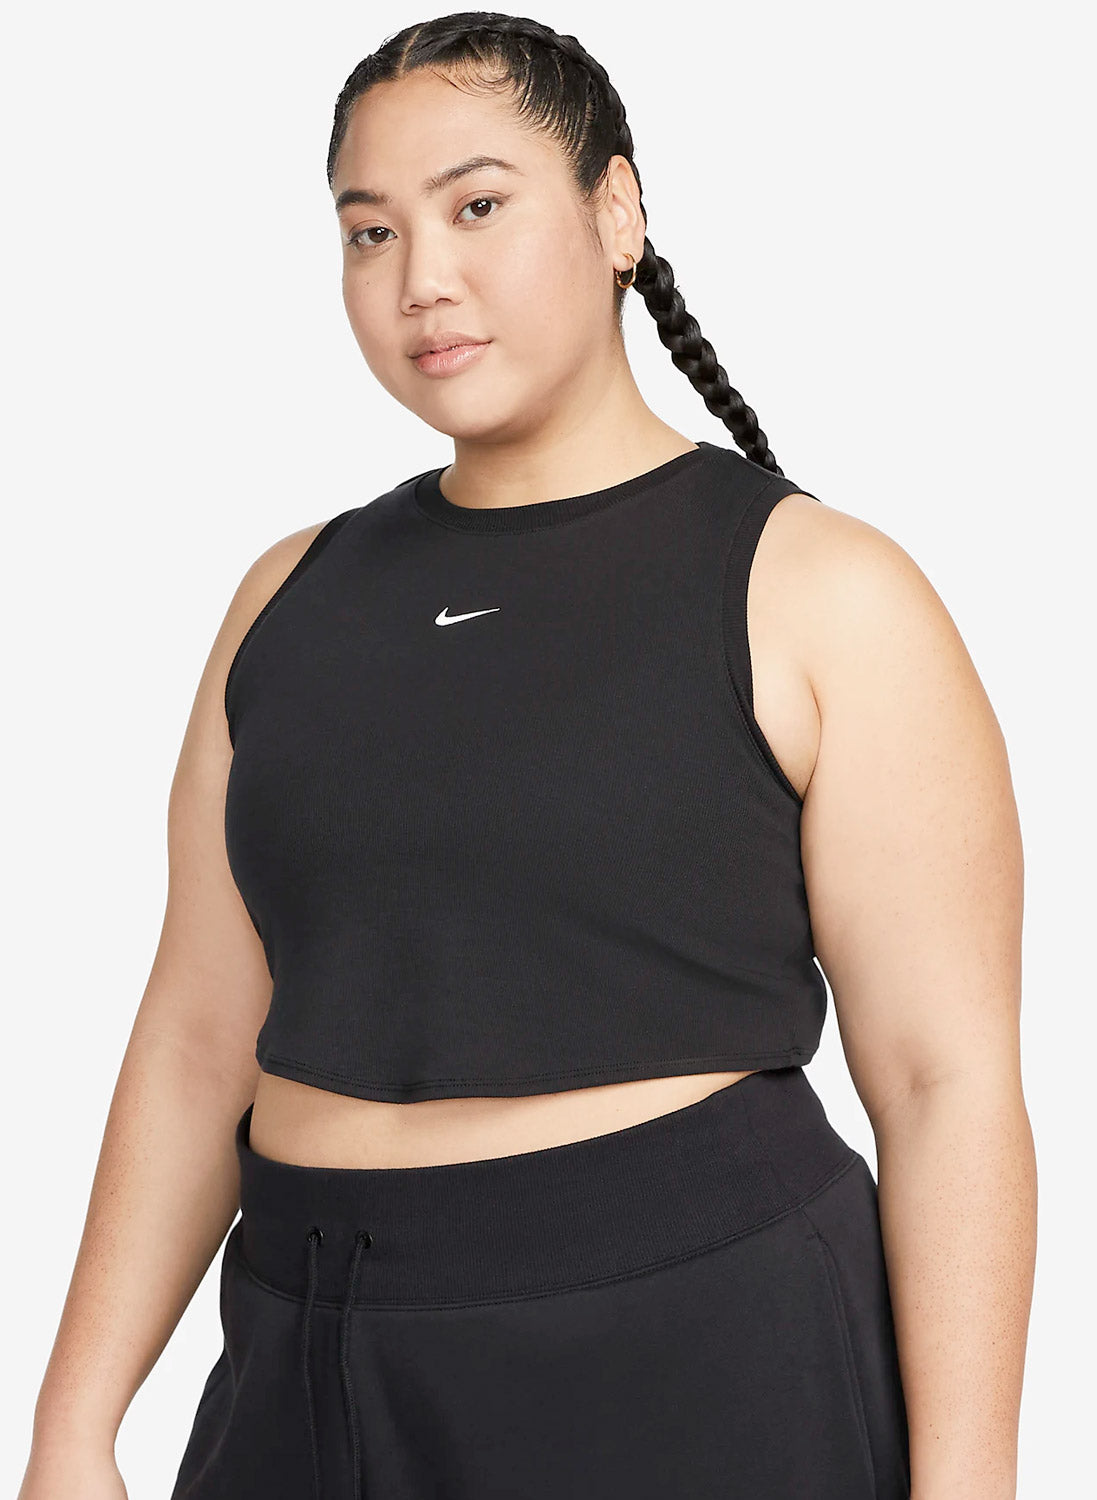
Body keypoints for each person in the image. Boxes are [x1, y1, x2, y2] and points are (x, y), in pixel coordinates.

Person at [19, 12, 1036, 1500]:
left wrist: (969, 1485)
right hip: (309, 1349)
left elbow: (946, 1084)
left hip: (686, 1352)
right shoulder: (289, 596)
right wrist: (73, 1421)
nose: (421, 278)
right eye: (370, 232)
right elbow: (195, 1033)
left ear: (617, 213)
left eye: (477, 206)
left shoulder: (822, 591)